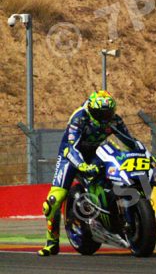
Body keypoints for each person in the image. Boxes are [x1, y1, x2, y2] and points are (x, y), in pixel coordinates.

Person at [38, 90, 148, 256]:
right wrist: (82, 165)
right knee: (54, 200)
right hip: (71, 154)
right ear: (91, 109)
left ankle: (111, 212)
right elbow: (71, 147)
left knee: (115, 172)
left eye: (108, 113)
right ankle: (51, 241)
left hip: (96, 152)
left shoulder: (114, 120)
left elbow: (129, 141)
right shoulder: (80, 118)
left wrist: (144, 154)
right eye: (100, 113)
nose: (105, 118)